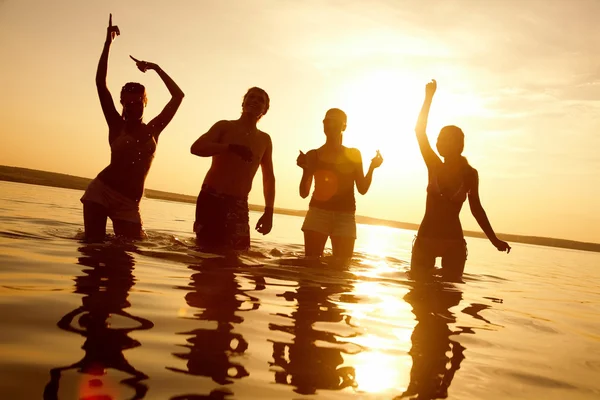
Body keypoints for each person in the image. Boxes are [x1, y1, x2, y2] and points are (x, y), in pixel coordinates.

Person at [80, 14, 185, 242]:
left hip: (129, 203)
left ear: (145, 102)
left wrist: (156, 68)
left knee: (127, 260)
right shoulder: (115, 123)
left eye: (138, 102)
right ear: (122, 103)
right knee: (92, 249)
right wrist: (108, 43)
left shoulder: (153, 129)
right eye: (128, 102)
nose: (133, 106)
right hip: (101, 192)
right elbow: (100, 83)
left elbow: (178, 96)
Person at [411, 79, 510, 281]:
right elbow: (419, 131)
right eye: (438, 138)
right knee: (418, 300)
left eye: (445, 139)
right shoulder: (434, 165)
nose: (439, 142)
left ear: (459, 144)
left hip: (453, 242)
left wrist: (494, 240)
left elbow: (477, 209)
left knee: (449, 302)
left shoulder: (469, 174)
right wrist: (428, 98)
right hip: (426, 238)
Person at [190, 87, 275, 252]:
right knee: (206, 253)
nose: (255, 101)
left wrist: (269, 211)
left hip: (239, 204)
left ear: (265, 110)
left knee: (237, 255)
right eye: (251, 97)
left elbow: (268, 177)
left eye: (260, 100)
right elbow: (196, 148)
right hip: (211, 198)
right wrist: (229, 147)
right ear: (243, 102)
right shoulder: (225, 127)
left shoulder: (264, 140)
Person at [297, 108, 383, 259]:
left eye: (335, 122)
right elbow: (304, 193)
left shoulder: (353, 154)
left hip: (345, 216)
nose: (329, 125)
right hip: (318, 213)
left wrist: (372, 168)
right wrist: (305, 171)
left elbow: (362, 188)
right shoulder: (313, 155)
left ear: (344, 126)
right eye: (326, 121)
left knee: (341, 271)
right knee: (311, 266)